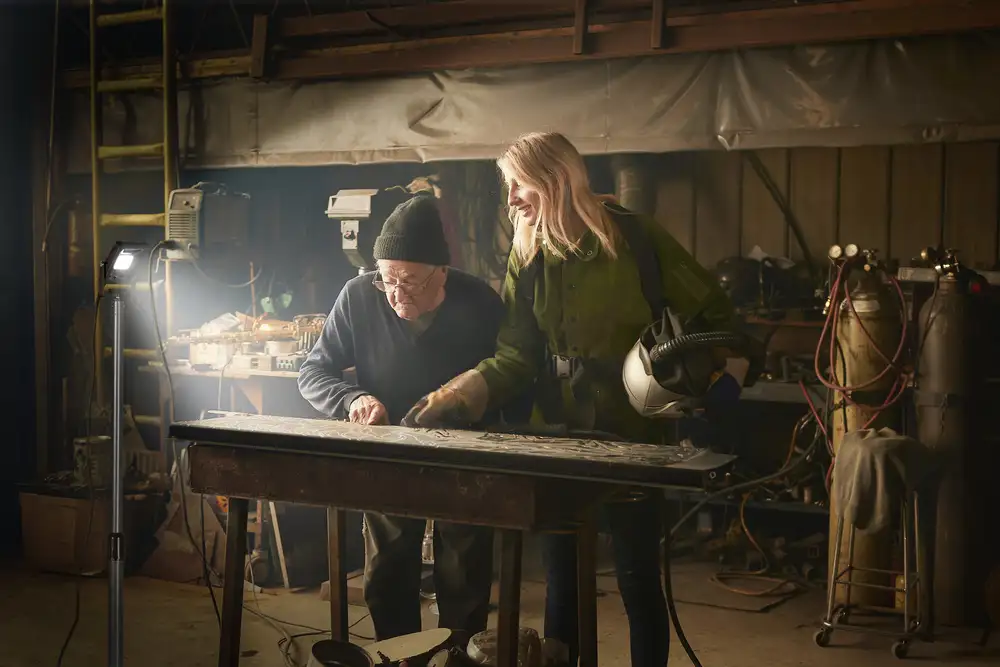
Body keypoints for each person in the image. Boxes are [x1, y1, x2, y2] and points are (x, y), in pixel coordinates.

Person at [406, 132, 738, 667]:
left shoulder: (636, 238)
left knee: (637, 577)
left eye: (519, 185)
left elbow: (714, 316)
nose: (511, 199)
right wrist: (458, 394)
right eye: (508, 186)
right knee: (563, 578)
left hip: (634, 432)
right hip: (556, 433)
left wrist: (687, 373)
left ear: (556, 179)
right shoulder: (527, 255)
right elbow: (516, 355)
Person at [297, 194, 507, 645]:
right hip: (389, 450)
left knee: (464, 574)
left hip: (463, 456)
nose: (395, 293)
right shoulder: (359, 296)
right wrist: (352, 398)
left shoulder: (480, 303)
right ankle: (399, 656)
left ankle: (457, 655)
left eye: (409, 281)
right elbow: (313, 372)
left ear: (441, 271)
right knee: (388, 569)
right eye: (387, 280)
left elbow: (512, 376)